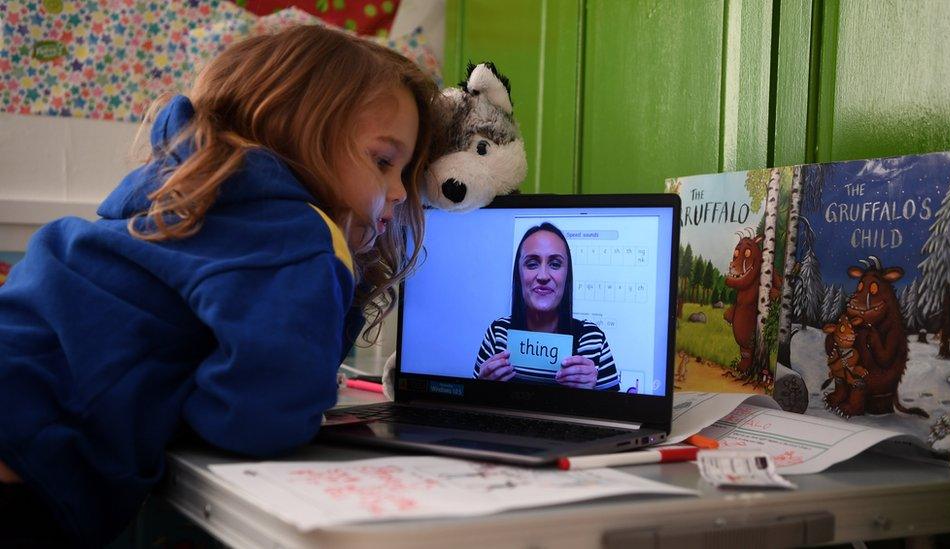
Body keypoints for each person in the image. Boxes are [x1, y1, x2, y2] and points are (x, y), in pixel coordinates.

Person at [0, 25, 440, 546]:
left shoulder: (175, 194)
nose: (396, 193)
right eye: (384, 162)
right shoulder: (300, 233)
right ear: (299, 133)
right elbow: (257, 420)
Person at [473, 223, 620, 390]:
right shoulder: (497, 333)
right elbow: (471, 412)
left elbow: (614, 413)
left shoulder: (592, 339)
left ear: (567, 276)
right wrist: (481, 390)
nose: (543, 276)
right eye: (532, 264)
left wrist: (592, 394)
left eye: (555, 264)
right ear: (518, 275)